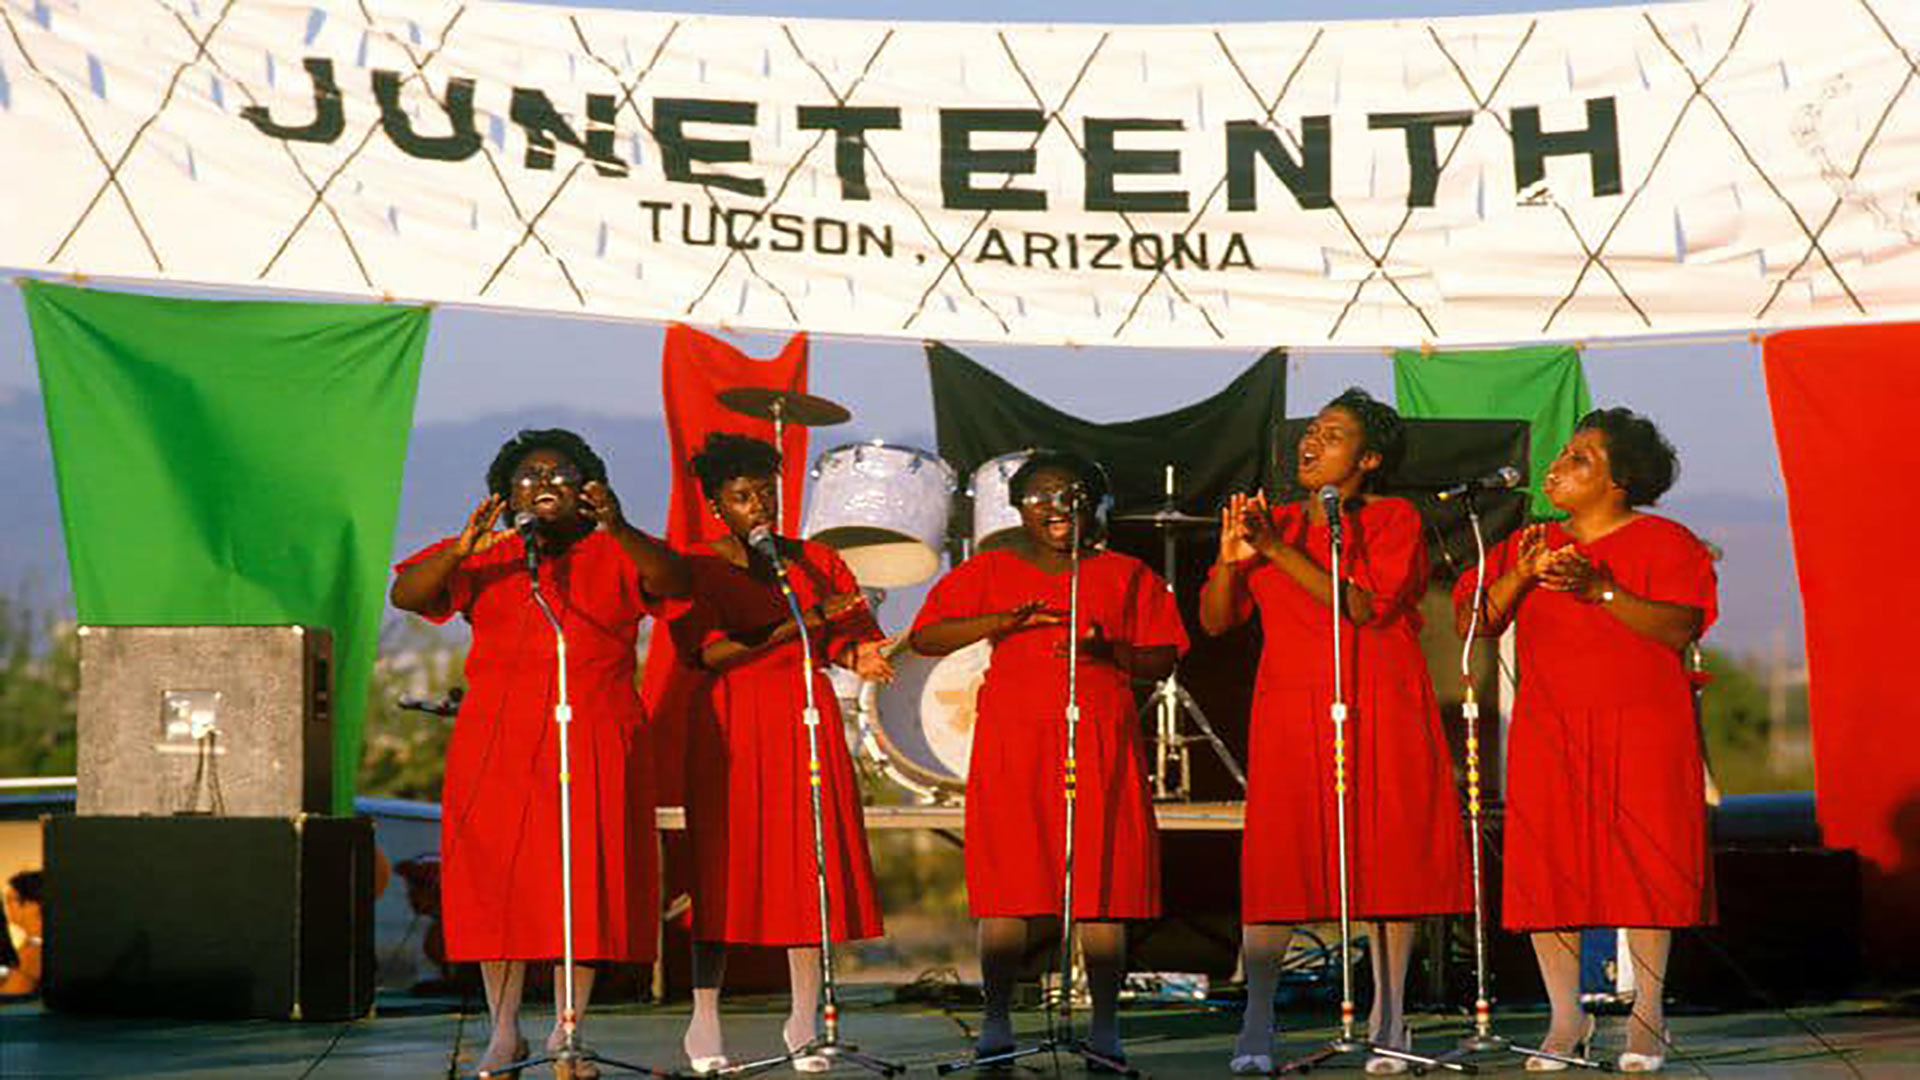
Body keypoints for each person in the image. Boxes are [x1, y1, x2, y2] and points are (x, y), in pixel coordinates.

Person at [391, 428, 688, 1079]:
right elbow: (408, 595)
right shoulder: (489, 554)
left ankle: (566, 1026)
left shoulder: (616, 550)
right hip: (499, 736)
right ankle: (504, 1031)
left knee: (583, 881)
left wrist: (621, 525)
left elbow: (674, 579)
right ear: (505, 494)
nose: (545, 482)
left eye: (562, 472)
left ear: (590, 489)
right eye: (529, 475)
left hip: (595, 731)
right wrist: (462, 550)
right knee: (499, 882)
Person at [1199, 389, 1470, 1076]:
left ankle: (1391, 1018)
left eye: (1334, 434)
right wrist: (1234, 558)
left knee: (1388, 853)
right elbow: (1215, 621)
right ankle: (1257, 1020)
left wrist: (1276, 552)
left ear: (1369, 458)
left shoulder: (1394, 517)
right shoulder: (1273, 520)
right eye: (1311, 432)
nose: (1311, 443)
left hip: (1379, 693)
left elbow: (1363, 605)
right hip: (1292, 702)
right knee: (1281, 857)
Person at [1452, 408, 1715, 1074]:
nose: (1559, 466)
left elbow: (1680, 625)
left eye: (1581, 458)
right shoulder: (1528, 540)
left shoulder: (1666, 542)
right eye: (1563, 454)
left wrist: (1601, 589)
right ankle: (1564, 1019)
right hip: (1552, 727)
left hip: (1643, 725)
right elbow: (1474, 621)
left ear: (1620, 481)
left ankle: (1647, 1016)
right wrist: (1521, 573)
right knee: (1551, 868)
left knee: (1645, 865)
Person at [909, 450, 1188, 1069]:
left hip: (1099, 735)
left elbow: (1162, 659)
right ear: (1017, 509)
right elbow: (926, 637)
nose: (1056, 509)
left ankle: (1106, 1028)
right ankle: (997, 1019)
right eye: (1039, 497)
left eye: (1070, 496)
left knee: (1102, 883)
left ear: (1093, 504)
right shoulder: (993, 568)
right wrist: (1002, 620)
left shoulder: (1125, 574)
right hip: (1014, 739)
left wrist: (1106, 648)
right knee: (1007, 885)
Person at [669, 433, 893, 1075]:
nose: (758, 505)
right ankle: (704, 1017)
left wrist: (863, 654)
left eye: (767, 491)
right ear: (717, 505)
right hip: (731, 721)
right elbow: (710, 653)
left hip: (803, 713)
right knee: (722, 868)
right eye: (742, 496)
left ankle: (803, 1017)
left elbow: (843, 640)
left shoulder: (816, 561)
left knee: (806, 864)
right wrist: (814, 620)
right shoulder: (699, 567)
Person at [0, 870, 43, 997]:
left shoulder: (34, 951)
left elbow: (12, 995)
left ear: (33, 904)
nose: (7, 907)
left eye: (10, 899)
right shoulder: (31, 943)